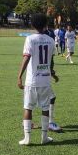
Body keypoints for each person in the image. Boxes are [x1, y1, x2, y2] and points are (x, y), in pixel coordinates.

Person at [18, 13, 59, 145]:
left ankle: (27, 138)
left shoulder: (30, 39)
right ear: (46, 25)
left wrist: (19, 76)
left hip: (32, 81)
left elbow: (26, 57)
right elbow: (49, 62)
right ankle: (44, 137)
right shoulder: (51, 40)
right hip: (45, 81)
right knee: (45, 108)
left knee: (28, 108)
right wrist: (52, 74)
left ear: (32, 25)